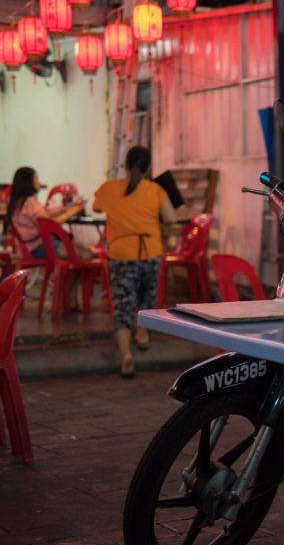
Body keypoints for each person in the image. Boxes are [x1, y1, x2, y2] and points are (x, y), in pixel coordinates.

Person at [93, 147, 176, 379]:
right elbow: (171, 219)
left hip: (122, 254)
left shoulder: (109, 189)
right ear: (148, 168)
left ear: (126, 166)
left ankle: (126, 355)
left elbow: (95, 207)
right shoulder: (155, 189)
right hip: (150, 252)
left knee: (123, 304)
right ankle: (142, 335)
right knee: (147, 299)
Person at [4, 167, 84, 258]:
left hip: (28, 249)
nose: (39, 182)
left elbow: (46, 213)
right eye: (36, 178)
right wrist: (71, 211)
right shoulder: (30, 203)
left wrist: (68, 207)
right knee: (86, 254)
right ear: (29, 182)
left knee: (79, 251)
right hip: (40, 248)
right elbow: (50, 224)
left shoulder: (16, 202)